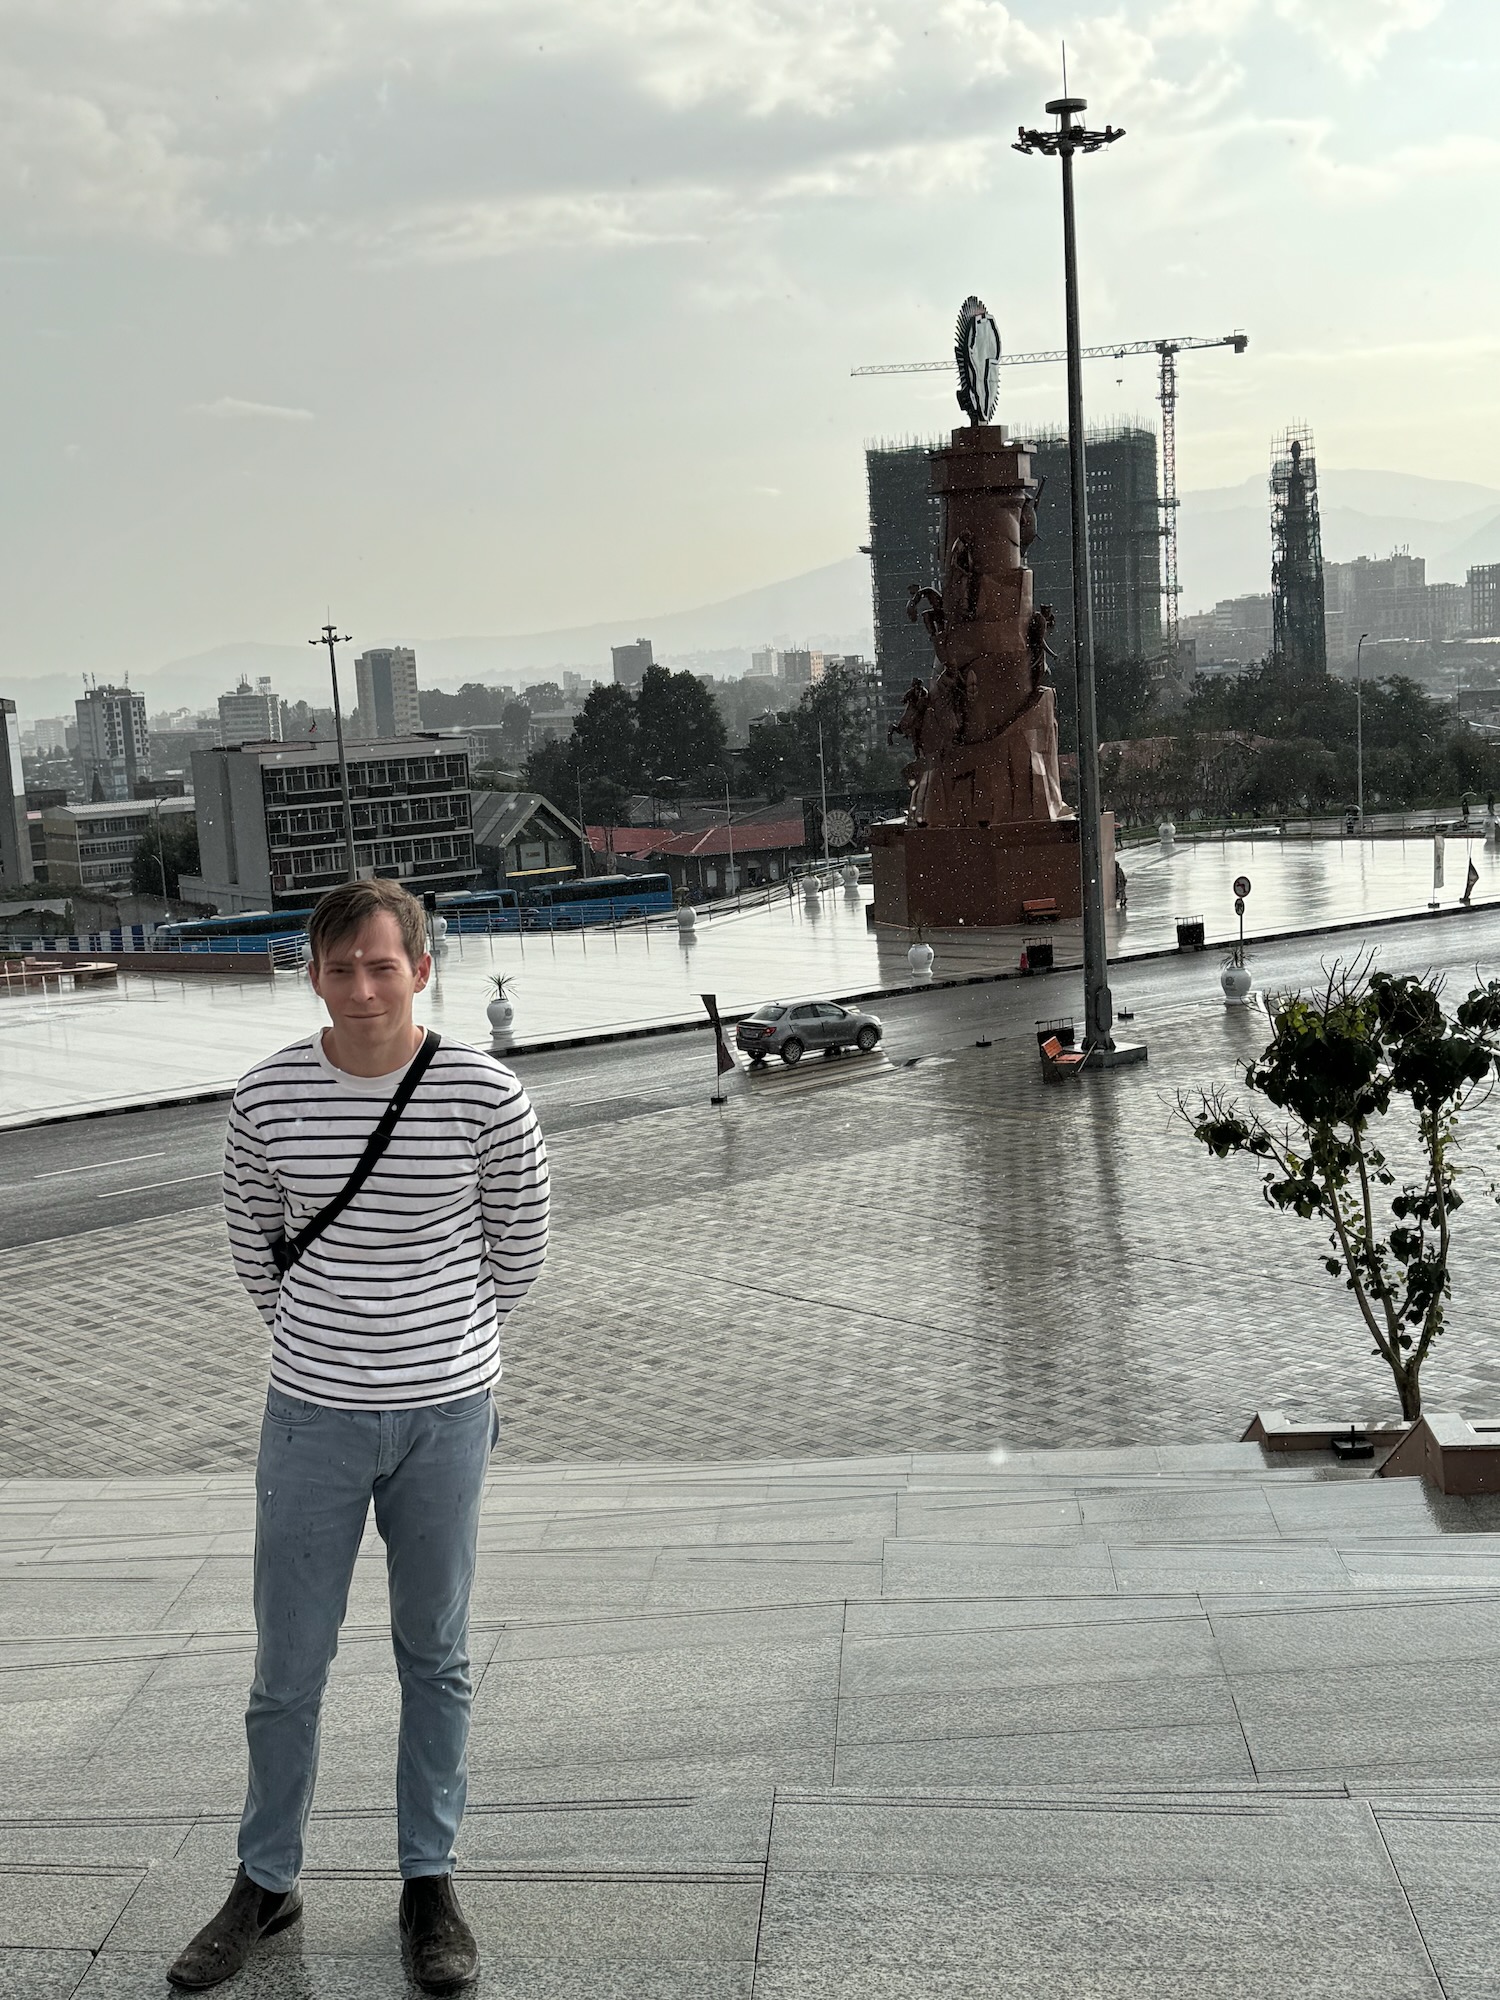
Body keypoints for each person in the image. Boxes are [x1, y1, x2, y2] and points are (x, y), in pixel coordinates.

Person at [168, 878, 549, 1995]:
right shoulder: (265, 1096)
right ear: (313, 973)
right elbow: (254, 1245)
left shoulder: (487, 1096)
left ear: (423, 969)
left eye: (384, 964)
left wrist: (438, 1340)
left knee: (436, 1653)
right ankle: (265, 1879)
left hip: (446, 1411)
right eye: (342, 967)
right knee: (288, 1665)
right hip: (311, 1416)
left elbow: (518, 1250)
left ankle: (429, 1880)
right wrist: (327, 1338)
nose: (364, 986)